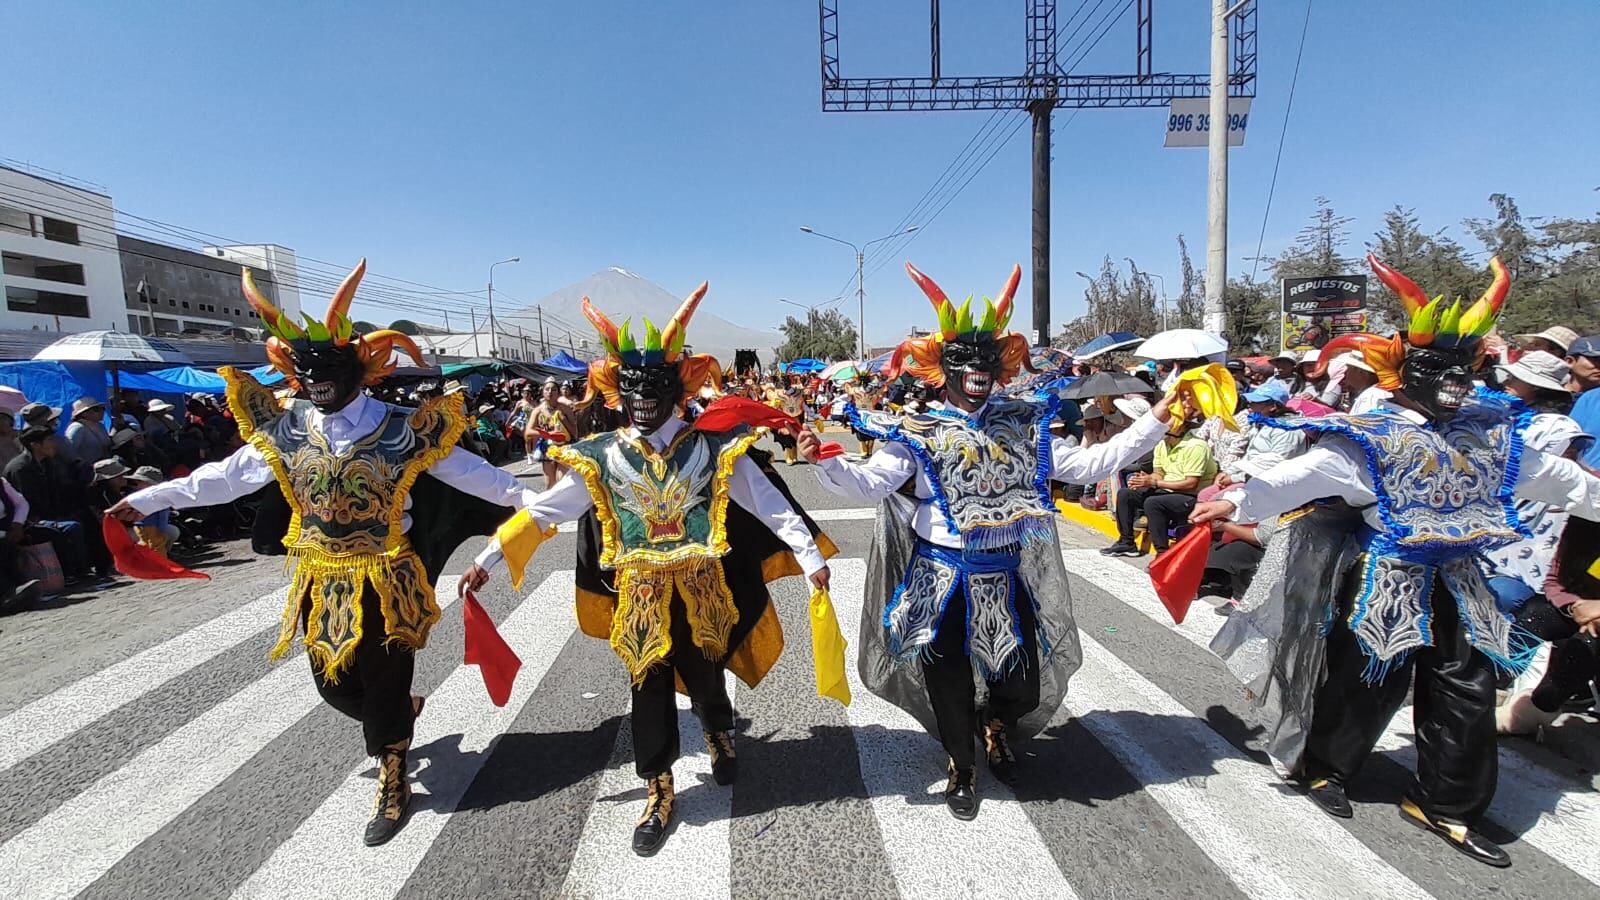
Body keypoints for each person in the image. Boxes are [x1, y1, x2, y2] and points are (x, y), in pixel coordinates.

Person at [108, 260, 535, 846]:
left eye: (329, 368)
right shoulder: (288, 430)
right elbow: (223, 479)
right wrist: (148, 499)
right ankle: (395, 715)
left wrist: (541, 505)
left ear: (359, 368)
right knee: (333, 684)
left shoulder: (403, 428)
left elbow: (479, 477)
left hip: (388, 576)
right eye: (306, 370)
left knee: (383, 677)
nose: (317, 381)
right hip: (321, 577)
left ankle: (393, 778)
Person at [1196, 254, 1600, 868]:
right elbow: (1307, 475)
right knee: (1366, 677)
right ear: (1405, 371)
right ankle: (1326, 766)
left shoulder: (1490, 432)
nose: (1456, 383)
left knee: (1468, 684)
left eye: (1466, 368)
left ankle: (1446, 803)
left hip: (1461, 577)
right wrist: (1237, 499)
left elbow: (1559, 481)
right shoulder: (1374, 434)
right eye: (1441, 368)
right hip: (1387, 574)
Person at [460, 284, 833, 856]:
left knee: (706, 675)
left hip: (703, 591)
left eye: (654, 385)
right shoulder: (604, 455)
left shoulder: (712, 448)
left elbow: (767, 503)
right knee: (647, 686)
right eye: (631, 386)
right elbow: (545, 511)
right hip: (640, 599)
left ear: (678, 387)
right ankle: (658, 786)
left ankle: (717, 728)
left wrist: (809, 557)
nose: (642, 398)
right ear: (617, 389)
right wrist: (489, 557)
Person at [799, 263, 1173, 818]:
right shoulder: (918, 430)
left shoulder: (1023, 426)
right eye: (963, 358)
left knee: (1021, 681)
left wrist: (1158, 418)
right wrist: (824, 463)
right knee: (947, 681)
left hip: (1003, 575)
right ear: (941, 367)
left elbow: (1090, 464)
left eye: (986, 359)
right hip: (939, 577)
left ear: (1001, 365)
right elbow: (871, 483)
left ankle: (997, 722)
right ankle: (962, 765)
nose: (977, 369)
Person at [1104, 411, 1215, 557]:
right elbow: (1159, 473)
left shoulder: (1196, 446)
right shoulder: (1163, 444)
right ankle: (1126, 542)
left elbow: (1191, 484)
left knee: (1153, 502)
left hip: (1191, 496)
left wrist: (1155, 482)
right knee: (1126, 494)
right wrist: (1145, 480)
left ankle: (1162, 553)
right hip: (1167, 489)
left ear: (1182, 426)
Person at [5, 427, 92, 581]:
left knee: (85, 517)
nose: (54, 444)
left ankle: (89, 568)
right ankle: (74, 573)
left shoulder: (48, 463)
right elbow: (28, 502)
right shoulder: (21, 468)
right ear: (35, 445)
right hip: (30, 520)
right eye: (49, 440)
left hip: (52, 514)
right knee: (71, 527)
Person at [524, 378, 576, 486]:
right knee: (549, 483)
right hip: (547, 448)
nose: (550, 392)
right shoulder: (537, 410)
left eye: (553, 390)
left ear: (558, 392)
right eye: (547, 389)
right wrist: (547, 434)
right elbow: (528, 431)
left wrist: (563, 419)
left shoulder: (565, 409)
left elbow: (575, 432)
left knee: (563, 481)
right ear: (543, 392)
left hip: (564, 447)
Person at [1494, 350, 1573, 414]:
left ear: (1536, 387)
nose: (1505, 382)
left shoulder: (1539, 420)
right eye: (1508, 377)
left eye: (1514, 378)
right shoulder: (1512, 407)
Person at [64, 398, 112, 465]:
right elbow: (68, 451)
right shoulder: (76, 427)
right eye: (97, 410)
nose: (102, 412)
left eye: (103, 408)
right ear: (84, 414)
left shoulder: (100, 425)